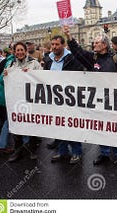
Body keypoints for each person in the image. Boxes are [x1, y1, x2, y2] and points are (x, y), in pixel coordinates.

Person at [63, 25, 117, 165]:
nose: (94, 44)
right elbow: (78, 52)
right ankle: (104, 153)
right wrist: (69, 37)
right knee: (100, 127)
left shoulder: (114, 58)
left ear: (104, 45)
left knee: (113, 127)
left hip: (113, 100)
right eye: (94, 42)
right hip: (97, 100)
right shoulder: (92, 58)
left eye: (97, 42)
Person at [42, 35, 84, 164]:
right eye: (52, 44)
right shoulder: (48, 60)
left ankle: (76, 152)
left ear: (63, 45)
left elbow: (80, 75)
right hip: (54, 100)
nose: (54, 47)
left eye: (57, 44)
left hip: (70, 100)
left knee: (71, 125)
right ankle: (62, 151)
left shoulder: (71, 58)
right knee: (58, 125)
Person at [2, 42, 43, 162]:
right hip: (16, 100)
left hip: (31, 100)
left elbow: (42, 78)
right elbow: (5, 81)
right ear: (14, 52)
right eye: (17, 50)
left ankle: (32, 150)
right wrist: (5, 75)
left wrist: (31, 74)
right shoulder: (10, 63)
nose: (19, 52)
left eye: (21, 50)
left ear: (25, 51)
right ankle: (18, 151)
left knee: (31, 124)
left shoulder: (34, 62)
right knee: (17, 124)